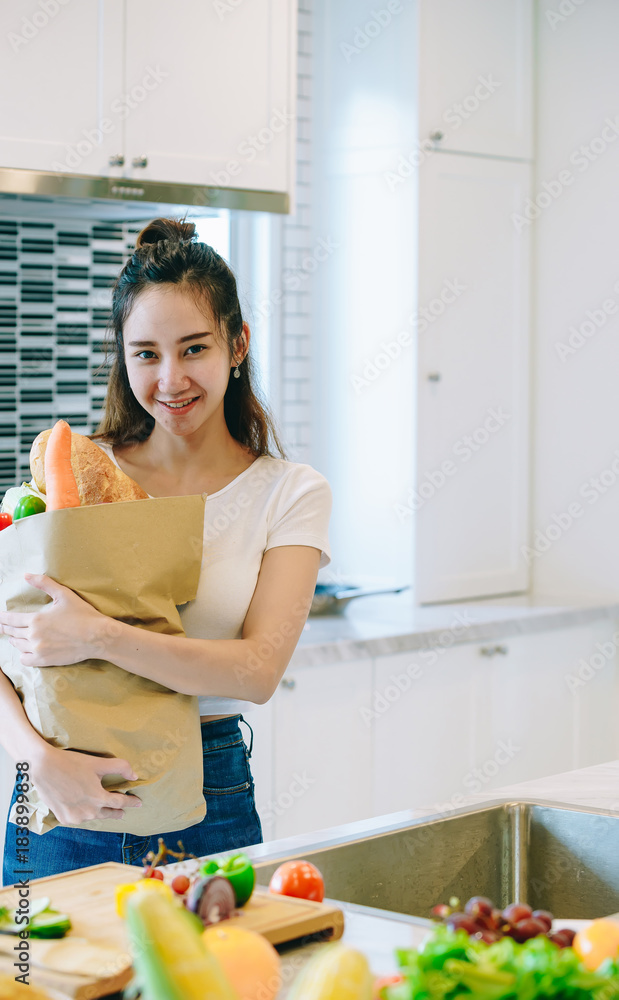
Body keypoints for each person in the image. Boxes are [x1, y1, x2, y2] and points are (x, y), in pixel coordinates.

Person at [0, 217, 332, 883]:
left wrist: (97, 635)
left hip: (206, 795)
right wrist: (32, 757)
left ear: (237, 344)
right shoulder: (64, 481)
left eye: (193, 348)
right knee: (43, 983)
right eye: (146, 353)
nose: (171, 378)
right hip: (55, 788)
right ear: (123, 357)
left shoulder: (289, 492)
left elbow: (255, 673)